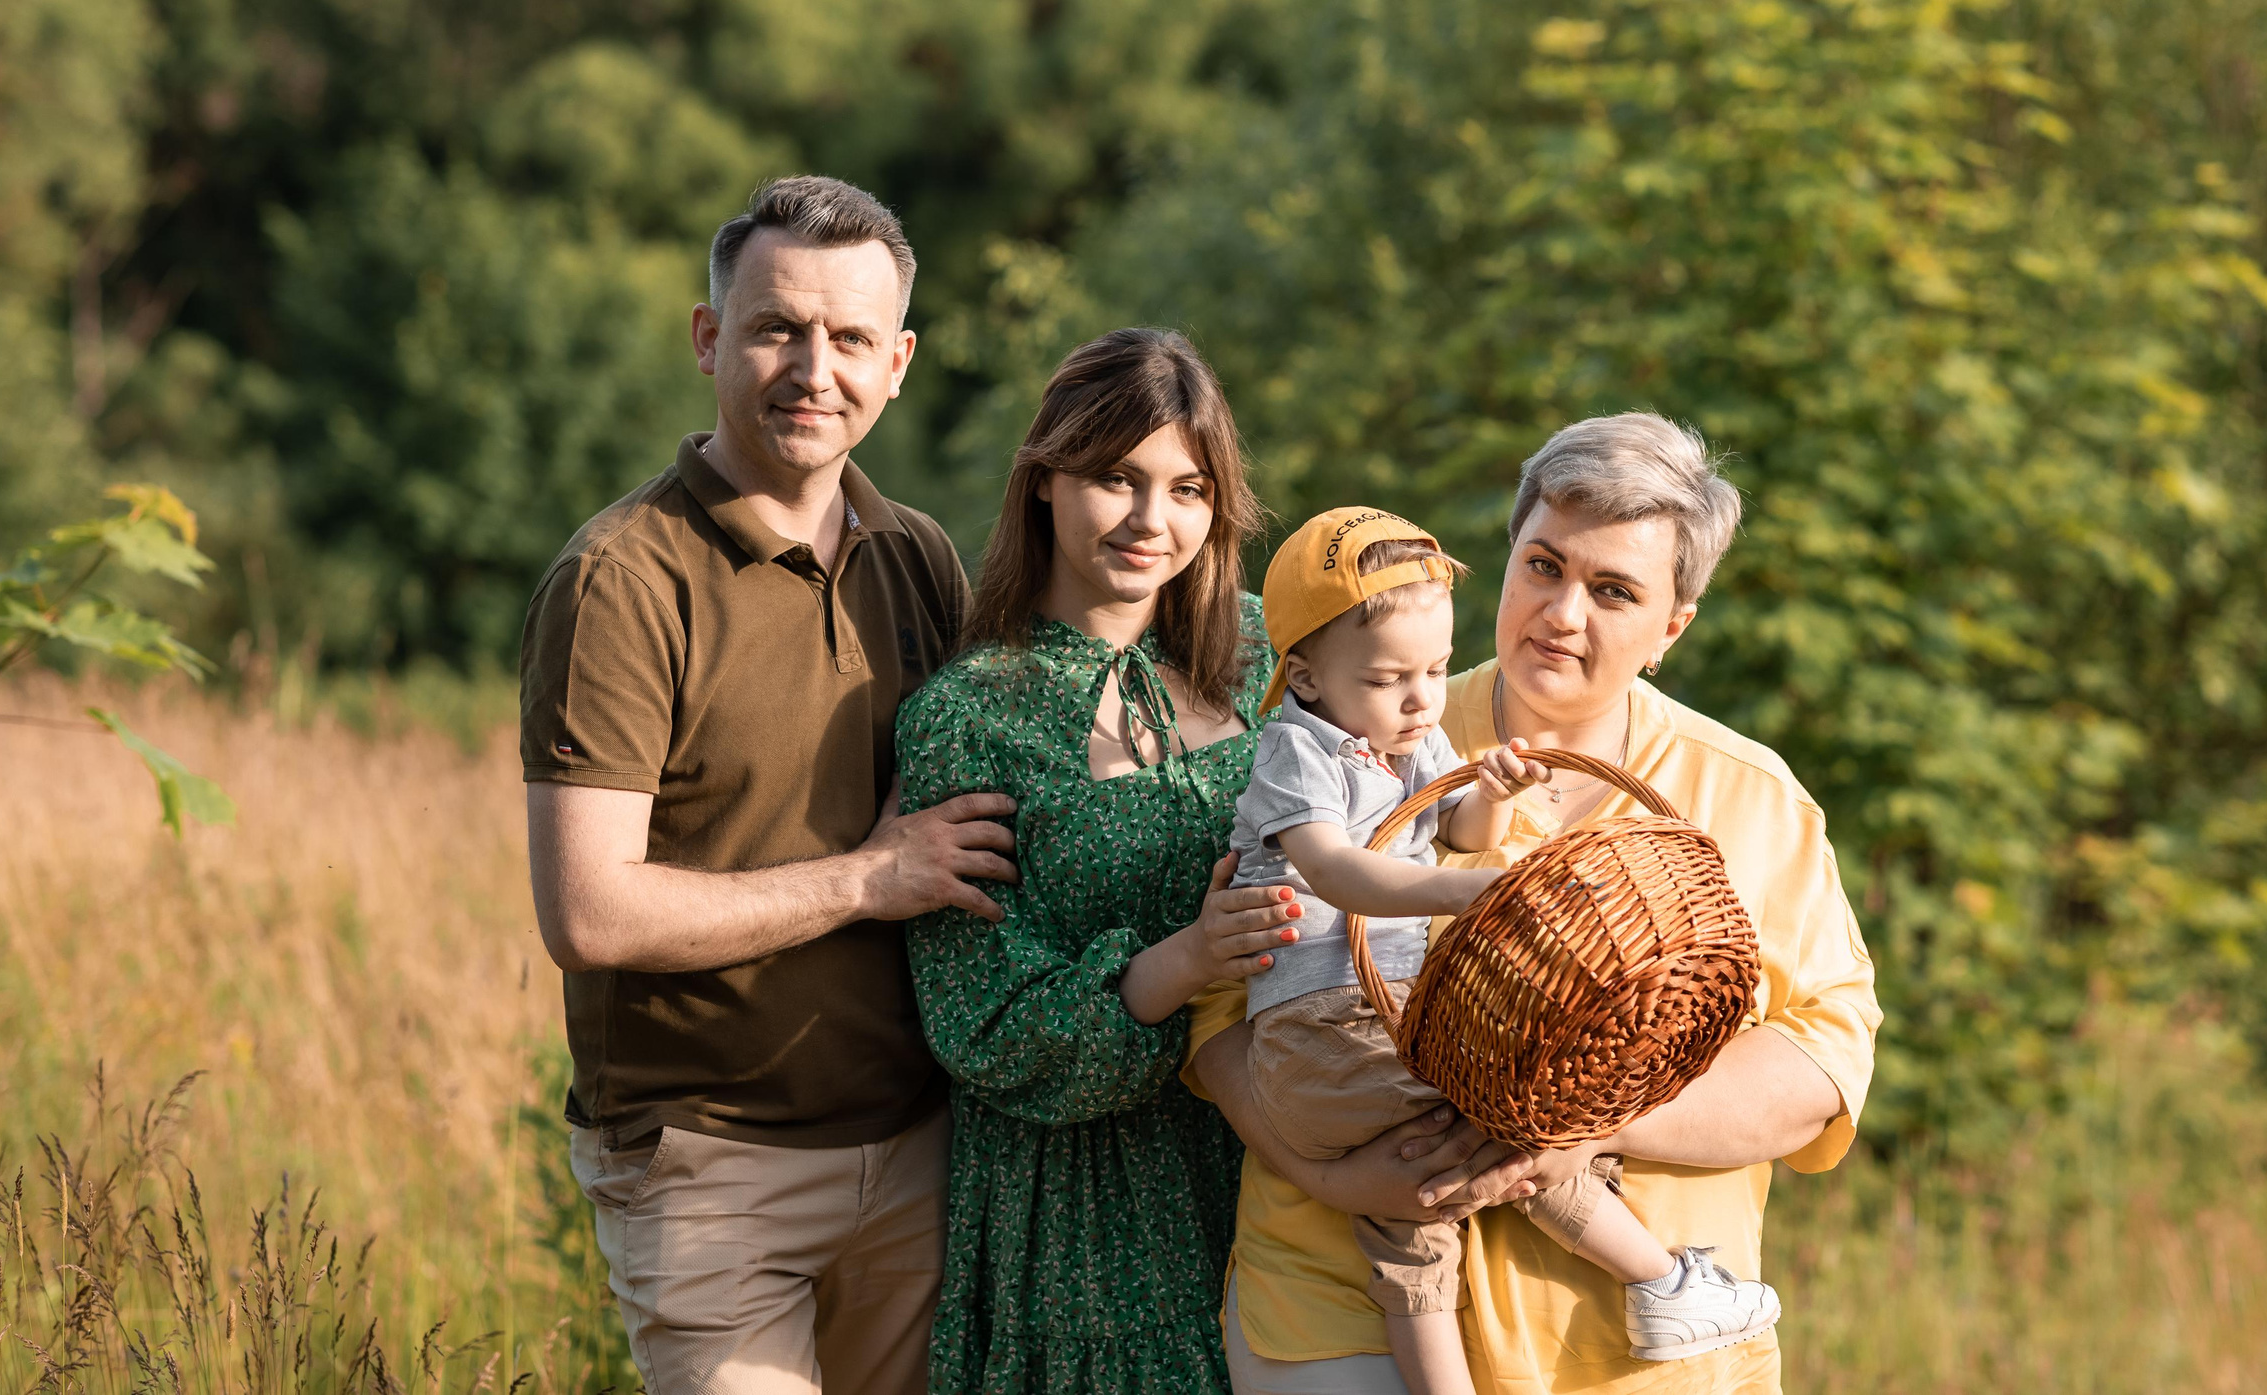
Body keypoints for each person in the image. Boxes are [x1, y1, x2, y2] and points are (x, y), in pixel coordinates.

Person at [1189, 412, 1883, 1395]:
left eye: (1613, 591)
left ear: (1669, 630)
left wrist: (1579, 1117)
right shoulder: (1364, 720)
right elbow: (1221, 1004)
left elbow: (1823, 1058)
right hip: (1338, 1308)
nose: (1562, 613)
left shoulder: (1747, 795)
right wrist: (1332, 1170)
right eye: (1543, 566)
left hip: (1621, 1359)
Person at [519, 176, 1022, 1395]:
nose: (813, 368)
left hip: (915, 1154)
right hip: (708, 1168)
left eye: (850, 338)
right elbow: (590, 915)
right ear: (708, 340)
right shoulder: (622, 581)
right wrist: (868, 878)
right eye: (775, 328)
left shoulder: (917, 555)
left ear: (897, 362)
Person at [891, 328, 1305, 1395]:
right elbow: (979, 1018)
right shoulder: (970, 712)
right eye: (1115, 479)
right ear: (1044, 482)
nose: (1150, 521)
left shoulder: (1275, 659)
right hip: (1086, 1207)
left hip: (1287, 1160)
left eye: (1187, 488)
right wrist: (1188, 959)